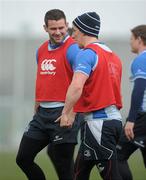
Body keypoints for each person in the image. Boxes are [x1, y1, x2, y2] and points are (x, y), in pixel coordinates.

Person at [16, 9, 82, 180]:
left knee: (64, 168)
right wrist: (36, 105)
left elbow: (82, 83)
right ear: (45, 28)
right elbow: (42, 80)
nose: (58, 32)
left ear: (67, 25)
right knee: (23, 158)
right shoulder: (41, 50)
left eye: (61, 27)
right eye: (53, 29)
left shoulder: (73, 49)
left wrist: (71, 113)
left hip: (63, 113)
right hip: (42, 115)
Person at [58, 12, 123, 180]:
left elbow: (77, 86)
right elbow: (95, 90)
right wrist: (74, 113)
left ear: (84, 30)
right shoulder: (113, 56)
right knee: (79, 174)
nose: (72, 36)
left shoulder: (87, 53)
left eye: (75, 31)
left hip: (99, 125)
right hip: (111, 121)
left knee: (111, 176)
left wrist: (66, 111)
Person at [117, 25, 146, 180]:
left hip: (142, 118)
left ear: (139, 39)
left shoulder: (141, 60)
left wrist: (131, 120)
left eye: (131, 39)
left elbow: (139, 89)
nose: (130, 42)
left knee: (116, 156)